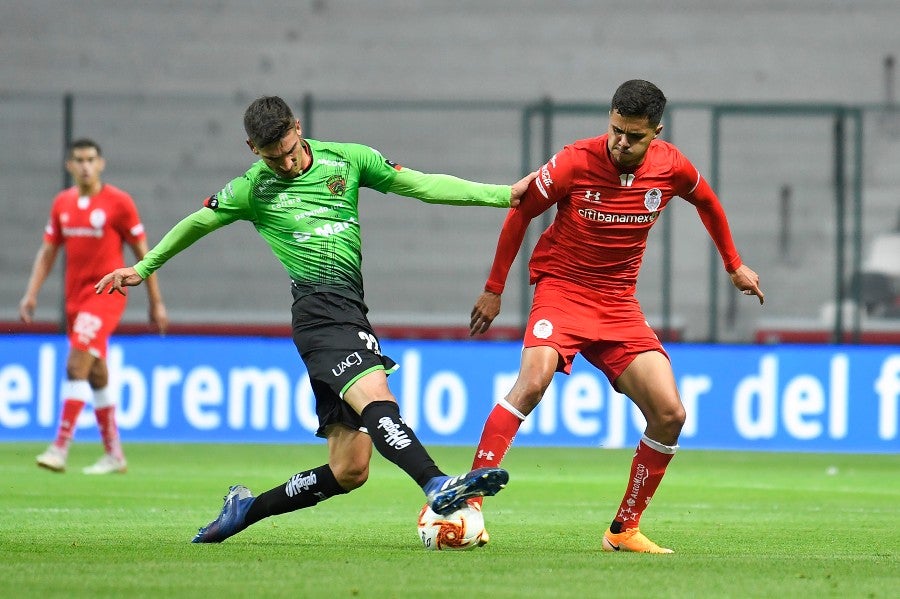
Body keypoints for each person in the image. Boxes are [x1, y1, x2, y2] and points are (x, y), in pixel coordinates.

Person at [95, 95, 535, 543]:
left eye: (289, 150)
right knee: (376, 395)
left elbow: (421, 185)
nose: (285, 163)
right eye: (272, 157)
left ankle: (245, 510)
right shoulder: (253, 188)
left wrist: (501, 195)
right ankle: (436, 483)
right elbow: (196, 223)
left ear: (298, 127)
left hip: (350, 310)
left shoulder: (348, 159)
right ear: (252, 148)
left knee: (350, 469)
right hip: (318, 313)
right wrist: (143, 267)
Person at [467, 80, 765, 553]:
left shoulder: (671, 166)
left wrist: (733, 264)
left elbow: (707, 201)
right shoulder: (574, 161)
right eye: (615, 130)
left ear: (656, 132)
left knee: (670, 413)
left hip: (618, 303)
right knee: (533, 381)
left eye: (633, 136)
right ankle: (471, 501)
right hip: (562, 290)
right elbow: (521, 212)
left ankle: (623, 530)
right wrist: (493, 289)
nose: (620, 143)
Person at [20, 138, 168, 475]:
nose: (85, 166)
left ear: (101, 163)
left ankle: (60, 447)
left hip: (106, 295)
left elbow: (145, 255)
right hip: (75, 299)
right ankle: (114, 453)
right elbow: (47, 253)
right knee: (96, 371)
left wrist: (156, 302)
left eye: (91, 160)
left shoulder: (119, 203)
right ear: (68, 166)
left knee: (75, 365)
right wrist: (31, 293)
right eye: (79, 160)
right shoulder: (62, 204)